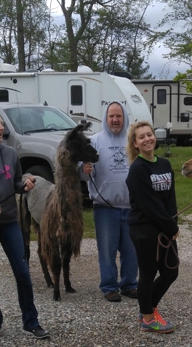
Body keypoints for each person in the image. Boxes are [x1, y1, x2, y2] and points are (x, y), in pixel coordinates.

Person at [0, 110, 50, 340]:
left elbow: (15, 182)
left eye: (2, 124)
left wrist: (24, 185)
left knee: (23, 272)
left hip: (9, 222)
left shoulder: (11, 154)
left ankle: (31, 322)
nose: (0, 128)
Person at [79, 102, 139, 302]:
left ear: (124, 118)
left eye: (119, 116)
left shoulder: (133, 141)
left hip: (131, 207)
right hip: (105, 207)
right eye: (111, 116)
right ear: (106, 118)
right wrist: (84, 171)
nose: (115, 120)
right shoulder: (94, 141)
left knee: (131, 250)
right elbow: (82, 173)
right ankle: (109, 286)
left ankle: (129, 284)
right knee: (107, 250)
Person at [124, 121, 179, 334]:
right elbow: (149, 204)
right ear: (135, 144)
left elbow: (169, 198)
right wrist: (169, 225)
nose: (147, 139)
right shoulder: (137, 169)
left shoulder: (164, 164)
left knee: (171, 271)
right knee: (147, 274)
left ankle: (147, 307)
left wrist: (172, 223)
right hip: (144, 229)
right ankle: (148, 318)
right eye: (142, 137)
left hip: (165, 227)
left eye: (150, 135)